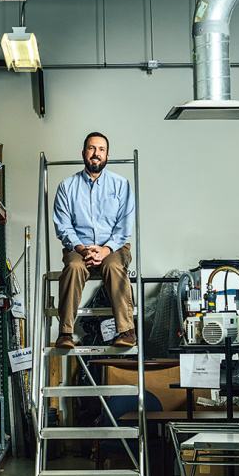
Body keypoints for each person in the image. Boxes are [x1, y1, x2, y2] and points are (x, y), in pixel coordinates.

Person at [51, 131, 136, 349]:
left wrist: (105, 250)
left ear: (107, 155)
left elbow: (124, 226)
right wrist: (82, 249)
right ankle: (65, 333)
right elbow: (63, 226)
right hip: (79, 249)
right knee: (73, 267)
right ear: (83, 153)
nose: (95, 154)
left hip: (114, 248)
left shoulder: (121, 185)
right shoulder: (66, 187)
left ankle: (126, 331)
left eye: (101, 150)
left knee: (115, 266)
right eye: (91, 148)